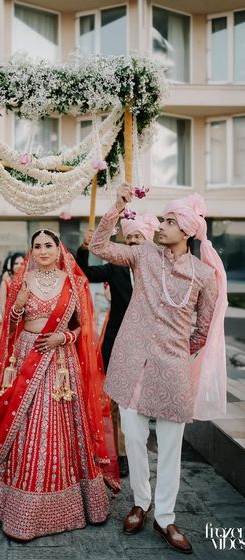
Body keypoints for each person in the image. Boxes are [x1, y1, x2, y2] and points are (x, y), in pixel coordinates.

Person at [89, 184, 227, 554]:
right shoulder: (144, 256)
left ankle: (165, 517)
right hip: (132, 362)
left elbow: (205, 326)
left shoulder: (202, 275)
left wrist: (177, 351)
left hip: (172, 369)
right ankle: (141, 501)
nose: (160, 226)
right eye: (162, 220)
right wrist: (116, 208)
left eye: (168, 221)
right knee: (133, 438)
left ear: (186, 231)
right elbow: (99, 247)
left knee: (170, 446)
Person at [0, 229, 120, 541]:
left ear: (58, 249)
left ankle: (67, 502)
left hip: (60, 362)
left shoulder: (74, 283)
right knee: (23, 422)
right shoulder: (21, 281)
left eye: (48, 245)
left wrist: (62, 337)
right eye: (36, 246)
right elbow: (9, 328)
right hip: (28, 353)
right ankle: (15, 501)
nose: (42, 251)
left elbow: (82, 327)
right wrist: (16, 307)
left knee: (57, 426)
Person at [76, 213, 160, 478]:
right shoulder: (116, 265)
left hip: (150, 343)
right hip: (116, 341)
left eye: (138, 236)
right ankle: (122, 455)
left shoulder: (159, 265)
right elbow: (86, 273)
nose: (133, 241)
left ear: (148, 238)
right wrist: (84, 248)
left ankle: (141, 446)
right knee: (116, 402)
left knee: (143, 399)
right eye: (130, 236)